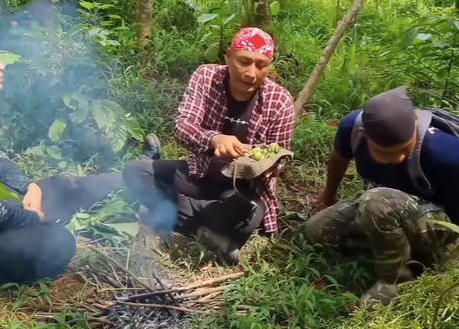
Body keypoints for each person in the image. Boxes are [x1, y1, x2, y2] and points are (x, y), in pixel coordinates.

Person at [123, 27, 295, 265]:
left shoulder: (280, 101)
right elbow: (182, 127)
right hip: (199, 174)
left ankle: (170, 211)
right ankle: (207, 227)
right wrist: (214, 140)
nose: (251, 73)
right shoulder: (207, 77)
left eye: (261, 65)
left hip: (241, 190)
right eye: (244, 62)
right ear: (228, 57)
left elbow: (280, 154)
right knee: (136, 171)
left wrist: (271, 166)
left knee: (251, 211)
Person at [305, 87, 459, 306]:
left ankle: (398, 277)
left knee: (375, 202)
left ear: (415, 124)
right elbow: (339, 158)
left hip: (439, 223)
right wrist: (328, 195)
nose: (397, 158)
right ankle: (407, 251)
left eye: (405, 149)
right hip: (388, 208)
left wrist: (449, 264)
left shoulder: (447, 154)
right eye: (386, 152)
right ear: (365, 135)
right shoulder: (353, 128)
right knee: (317, 231)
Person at [0, 19, 76, 289]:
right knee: (60, 242)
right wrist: (29, 220)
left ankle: (129, 180)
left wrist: (27, 184)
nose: (1, 65)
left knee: (53, 187)